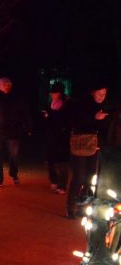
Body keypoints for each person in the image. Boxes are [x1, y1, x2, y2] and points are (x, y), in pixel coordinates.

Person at [66, 84, 112, 217]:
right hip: (81, 144)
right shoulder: (81, 105)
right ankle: (71, 206)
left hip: (95, 146)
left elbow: (104, 128)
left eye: (104, 94)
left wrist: (101, 142)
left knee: (90, 177)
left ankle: (82, 205)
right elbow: (75, 122)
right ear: (92, 93)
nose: (102, 97)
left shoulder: (103, 107)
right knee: (79, 176)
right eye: (99, 94)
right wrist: (93, 117)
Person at [0, 76, 29, 187]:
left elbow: (24, 113)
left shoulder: (17, 97)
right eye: (4, 84)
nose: (7, 86)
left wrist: (27, 127)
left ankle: (13, 173)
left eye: (8, 84)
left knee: (14, 155)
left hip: (13, 132)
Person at [43, 82, 70, 194]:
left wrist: (50, 116)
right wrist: (47, 117)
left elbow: (65, 120)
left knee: (62, 162)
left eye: (54, 93)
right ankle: (54, 181)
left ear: (59, 93)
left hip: (62, 137)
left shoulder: (67, 104)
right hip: (51, 136)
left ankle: (62, 185)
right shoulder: (51, 104)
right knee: (51, 160)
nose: (51, 95)